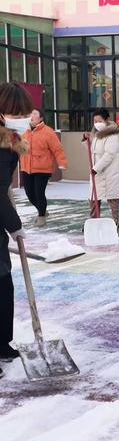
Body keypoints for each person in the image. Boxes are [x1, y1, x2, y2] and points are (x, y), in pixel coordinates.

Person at [0, 82, 32, 377]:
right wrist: (15, 225)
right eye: (14, 112)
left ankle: (2, 343)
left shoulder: (10, 140)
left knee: (3, 282)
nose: (20, 117)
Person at [20, 108, 68, 227]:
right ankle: (42, 209)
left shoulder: (48, 132)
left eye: (34, 114)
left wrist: (62, 162)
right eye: (30, 113)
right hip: (26, 167)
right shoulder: (25, 131)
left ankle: (41, 217)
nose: (31, 116)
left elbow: (57, 149)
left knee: (39, 192)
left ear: (41, 118)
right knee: (29, 193)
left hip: (42, 169)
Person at [83, 108, 119, 225]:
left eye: (99, 121)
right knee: (94, 202)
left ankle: (118, 226)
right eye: (94, 121)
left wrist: (96, 168)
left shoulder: (112, 136)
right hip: (97, 175)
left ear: (106, 120)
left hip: (110, 174)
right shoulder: (96, 135)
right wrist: (86, 139)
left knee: (113, 202)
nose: (96, 124)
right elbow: (93, 152)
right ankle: (94, 225)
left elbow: (109, 155)